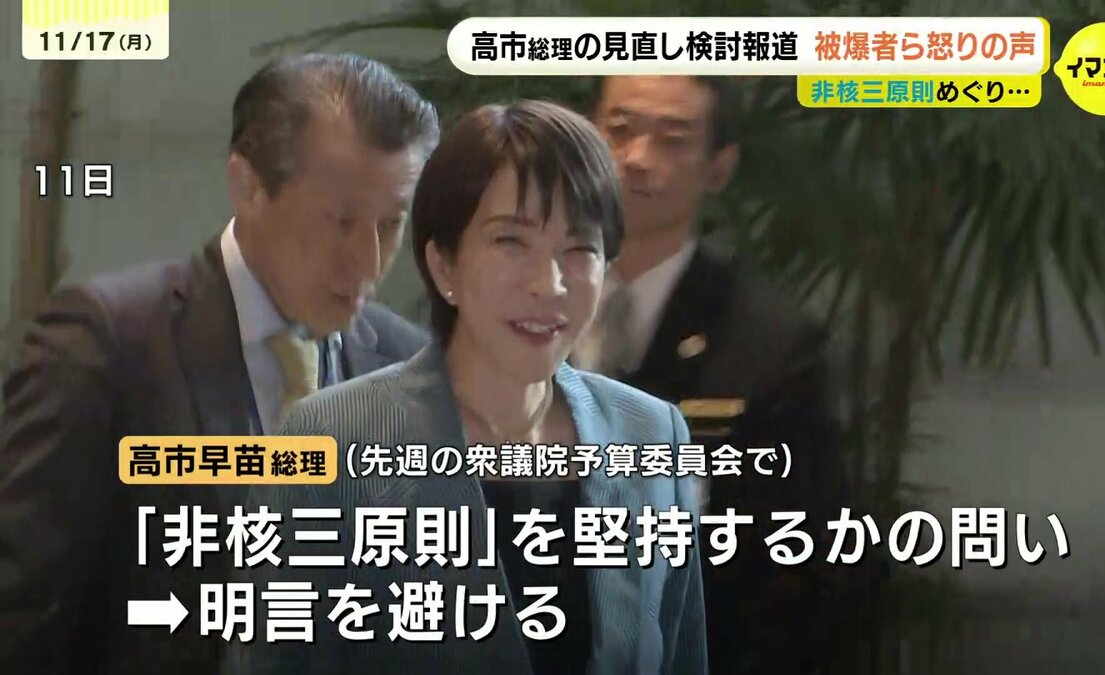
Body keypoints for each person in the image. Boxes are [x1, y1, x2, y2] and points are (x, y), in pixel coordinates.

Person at [226, 99, 707, 675]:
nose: (550, 284)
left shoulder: (652, 435)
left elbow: (683, 656)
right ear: (444, 265)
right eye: (511, 242)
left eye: (580, 248)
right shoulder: (330, 439)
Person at [0, 53, 438, 674]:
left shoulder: (407, 363)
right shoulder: (106, 344)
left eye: (390, 225)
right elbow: (24, 617)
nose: (369, 262)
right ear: (248, 187)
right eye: (341, 221)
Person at [581, 75, 845, 674]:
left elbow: (801, 569)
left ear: (719, 167)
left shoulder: (769, 346)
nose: (637, 158)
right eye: (618, 131)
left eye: (672, 140)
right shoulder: (516, 309)